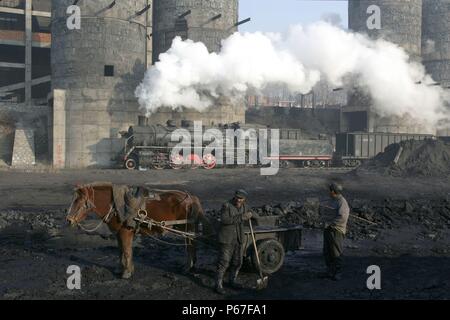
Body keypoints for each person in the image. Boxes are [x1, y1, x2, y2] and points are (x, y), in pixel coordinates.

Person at [215, 189, 252, 294]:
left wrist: (251, 215)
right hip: (226, 239)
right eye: (237, 197)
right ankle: (218, 285)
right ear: (234, 196)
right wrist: (242, 217)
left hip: (239, 238)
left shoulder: (246, 206)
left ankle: (232, 281)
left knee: (237, 262)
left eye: (241, 198)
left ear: (244, 199)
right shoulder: (226, 205)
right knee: (224, 262)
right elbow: (224, 220)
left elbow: (252, 214)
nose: (238, 200)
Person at [323, 182, 350, 281]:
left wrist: (331, 223)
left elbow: (342, 217)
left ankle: (338, 272)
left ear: (333, 191)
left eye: (330, 190)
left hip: (336, 230)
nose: (329, 192)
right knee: (327, 252)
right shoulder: (333, 200)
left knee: (336, 252)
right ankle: (330, 271)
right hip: (328, 229)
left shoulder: (342, 202)